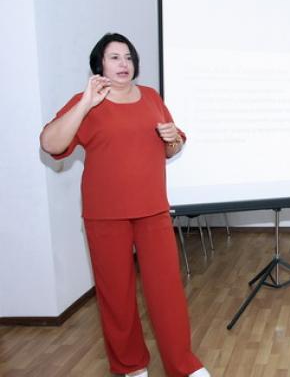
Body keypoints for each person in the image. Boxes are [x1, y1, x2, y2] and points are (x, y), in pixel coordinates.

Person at [39, 33, 209, 377]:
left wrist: (172, 140)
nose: (123, 64)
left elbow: (171, 146)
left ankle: (183, 366)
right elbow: (50, 144)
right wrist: (86, 102)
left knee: (167, 293)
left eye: (128, 57)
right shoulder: (84, 103)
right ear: (99, 64)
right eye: (114, 57)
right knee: (116, 296)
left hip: (153, 210)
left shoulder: (151, 97)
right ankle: (131, 366)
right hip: (105, 215)